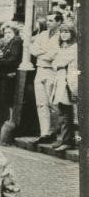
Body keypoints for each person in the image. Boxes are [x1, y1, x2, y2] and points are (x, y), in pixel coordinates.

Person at [30, 12, 63, 144]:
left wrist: (41, 53)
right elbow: (32, 49)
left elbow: (54, 54)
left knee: (52, 104)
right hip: (40, 70)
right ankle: (44, 132)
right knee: (41, 103)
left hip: (52, 71)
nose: (48, 23)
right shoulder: (42, 35)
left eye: (51, 20)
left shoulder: (61, 36)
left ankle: (53, 132)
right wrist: (44, 52)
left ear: (59, 22)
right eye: (47, 20)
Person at [51, 23, 78, 152]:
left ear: (72, 33)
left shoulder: (73, 47)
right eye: (62, 32)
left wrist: (56, 63)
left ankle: (68, 141)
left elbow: (59, 62)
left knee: (66, 113)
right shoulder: (63, 46)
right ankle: (64, 138)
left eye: (67, 32)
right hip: (61, 82)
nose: (64, 34)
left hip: (68, 83)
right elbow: (55, 62)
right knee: (62, 112)